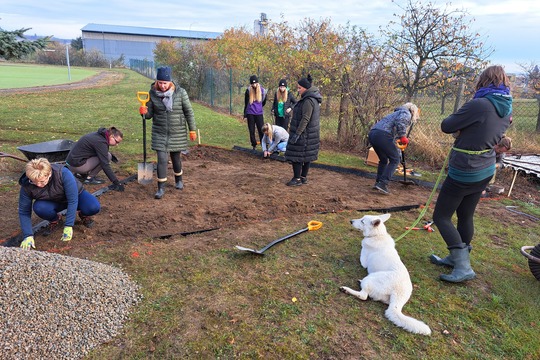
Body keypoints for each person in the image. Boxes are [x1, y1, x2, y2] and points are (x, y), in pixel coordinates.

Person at [430, 65, 513, 283]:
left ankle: (463, 266)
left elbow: (446, 125)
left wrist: (461, 125)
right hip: (485, 168)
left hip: (466, 170)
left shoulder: (480, 104)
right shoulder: (507, 107)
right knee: (465, 214)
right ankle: (455, 258)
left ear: (484, 81)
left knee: (441, 216)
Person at [139, 66, 198, 199]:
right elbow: (149, 115)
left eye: (165, 83)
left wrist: (192, 129)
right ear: (156, 82)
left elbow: (189, 112)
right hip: (159, 131)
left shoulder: (180, 93)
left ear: (170, 82)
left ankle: (179, 180)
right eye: (160, 82)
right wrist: (143, 112)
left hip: (177, 131)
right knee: (161, 159)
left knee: (176, 157)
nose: (162, 86)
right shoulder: (152, 93)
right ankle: (161, 188)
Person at [18, 158, 101, 250]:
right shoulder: (27, 185)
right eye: (34, 181)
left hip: (75, 197)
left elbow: (72, 200)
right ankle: (55, 219)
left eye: (42, 181)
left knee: (93, 207)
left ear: (49, 174)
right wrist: (28, 235)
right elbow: (24, 211)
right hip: (52, 202)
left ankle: (83, 214)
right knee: (39, 207)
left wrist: (69, 225)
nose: (38, 185)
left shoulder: (62, 173)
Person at [367, 103, 420, 195]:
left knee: (384, 160)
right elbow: (401, 123)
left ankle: (378, 182)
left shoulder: (396, 114)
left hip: (373, 134)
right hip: (383, 135)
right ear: (413, 111)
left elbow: (394, 141)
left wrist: (400, 155)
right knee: (395, 160)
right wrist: (403, 136)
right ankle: (383, 183)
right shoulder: (405, 113)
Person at [284, 74, 322, 186]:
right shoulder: (312, 98)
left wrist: (297, 134)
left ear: (306, 88)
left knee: (297, 155)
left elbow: (305, 118)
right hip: (310, 133)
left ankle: (297, 179)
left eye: (299, 88)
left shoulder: (308, 101)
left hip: (304, 134)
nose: (298, 90)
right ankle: (303, 177)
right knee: (306, 155)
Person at [66, 126, 125, 191]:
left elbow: (96, 150)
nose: (117, 145)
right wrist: (116, 182)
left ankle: (83, 175)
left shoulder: (99, 135)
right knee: (108, 157)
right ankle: (89, 179)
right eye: (117, 142)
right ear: (111, 136)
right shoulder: (101, 142)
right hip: (76, 166)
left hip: (71, 162)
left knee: (106, 155)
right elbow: (105, 164)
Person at [243, 75, 267, 150]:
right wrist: (245, 114)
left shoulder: (263, 91)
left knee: (261, 129)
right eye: (252, 84)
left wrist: (259, 107)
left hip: (259, 113)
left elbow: (263, 102)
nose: (254, 85)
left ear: (258, 83)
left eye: (255, 83)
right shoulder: (248, 90)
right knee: (251, 130)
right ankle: (254, 145)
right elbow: (246, 103)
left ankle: (264, 145)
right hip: (250, 113)